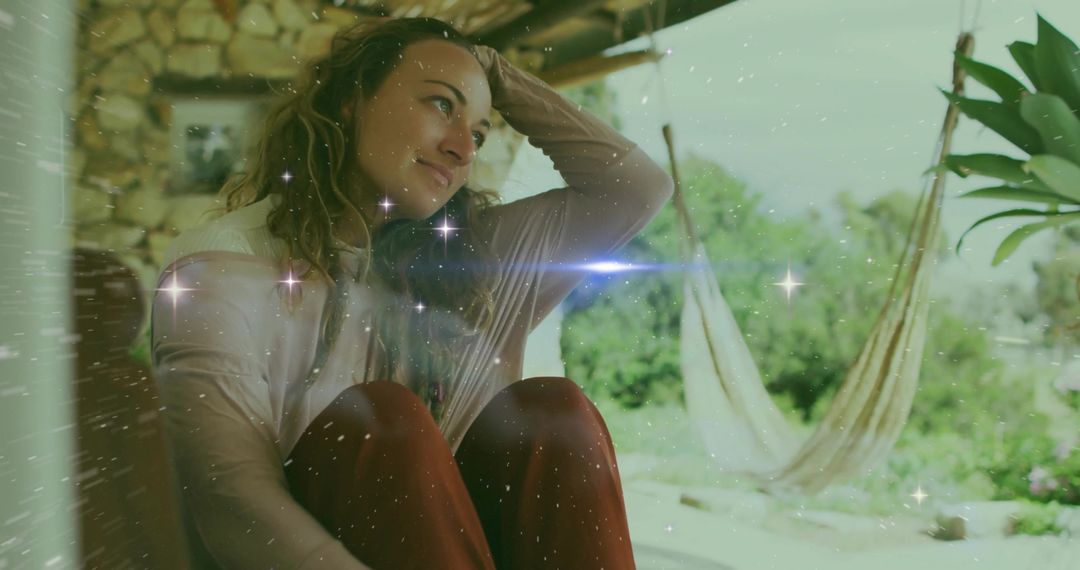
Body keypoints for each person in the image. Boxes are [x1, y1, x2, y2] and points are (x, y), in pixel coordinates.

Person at [151, 17, 673, 570]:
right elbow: (231, 499)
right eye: (441, 105)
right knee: (383, 419)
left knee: (553, 412)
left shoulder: (475, 260)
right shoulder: (225, 261)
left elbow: (637, 189)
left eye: (477, 133)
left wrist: (491, 70)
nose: (461, 150)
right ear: (353, 100)